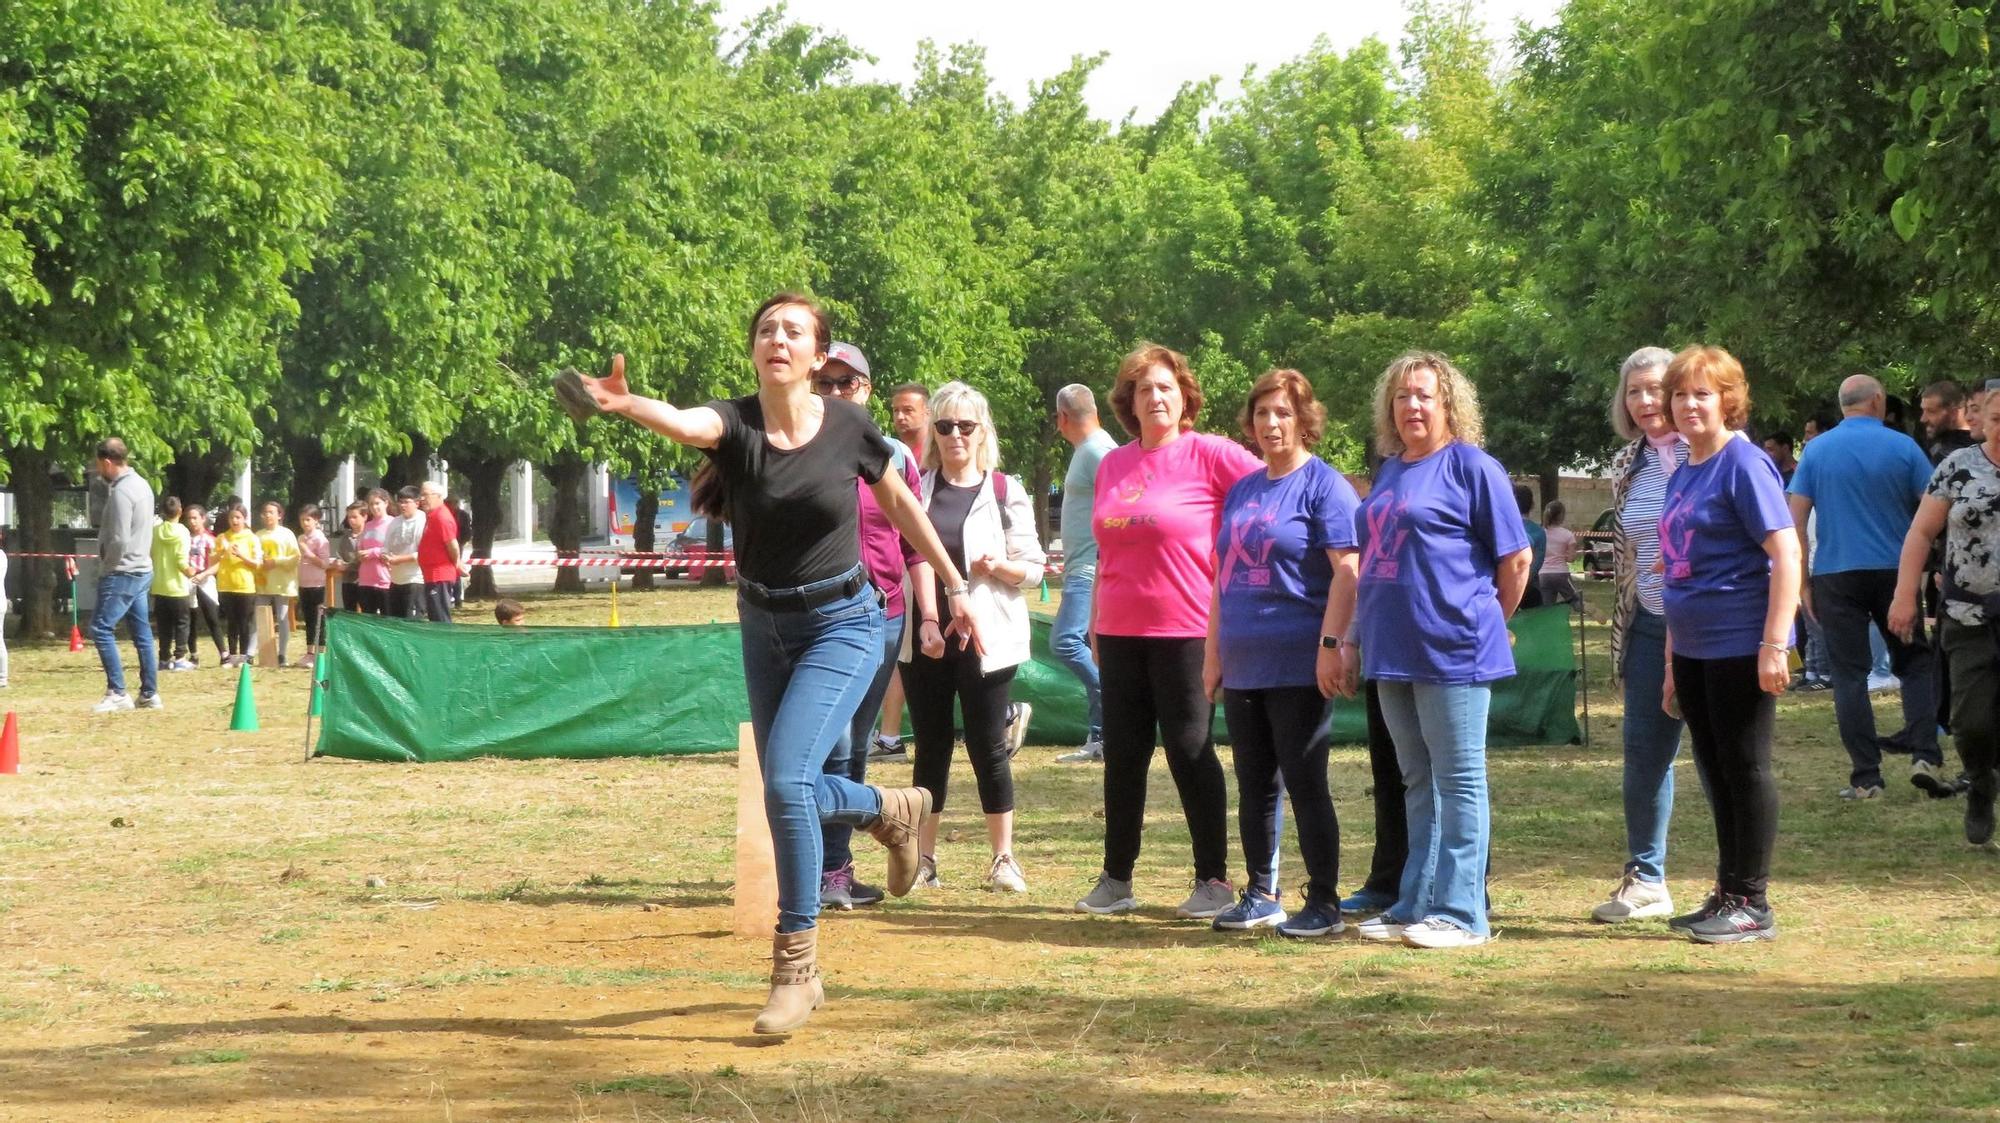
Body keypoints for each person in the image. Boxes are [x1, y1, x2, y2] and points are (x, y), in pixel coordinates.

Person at [575, 291, 981, 1036]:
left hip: (847, 620)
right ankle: (890, 810)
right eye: (766, 329)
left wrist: (953, 587)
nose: (778, 339)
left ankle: (796, 968)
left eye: (794, 330)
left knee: (788, 782)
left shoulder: (853, 425)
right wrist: (625, 404)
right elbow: (686, 421)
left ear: (818, 354)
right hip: (763, 622)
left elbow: (902, 508)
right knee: (784, 788)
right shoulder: (734, 423)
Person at [1348, 352, 1531, 950]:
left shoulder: (1473, 467)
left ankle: (1462, 913)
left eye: (1424, 395)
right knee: (1417, 782)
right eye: (1401, 397)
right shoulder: (1393, 470)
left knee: (1460, 781)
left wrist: (1485, 620)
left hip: (1453, 649)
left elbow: (1516, 559)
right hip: (1392, 649)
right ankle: (1414, 904)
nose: (1412, 406)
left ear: (1450, 404)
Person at [1076, 343, 1263, 920]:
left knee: (1189, 749)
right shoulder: (1114, 463)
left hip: (1189, 629)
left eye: (1165, 386)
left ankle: (1213, 879)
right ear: (1127, 403)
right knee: (1122, 756)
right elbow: (1106, 550)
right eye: (1143, 389)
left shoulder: (1212, 455)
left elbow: (1275, 495)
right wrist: (1093, 621)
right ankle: (1117, 878)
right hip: (1120, 629)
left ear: (1184, 395)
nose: (1155, 397)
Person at [1204, 369, 1360, 938]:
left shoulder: (1326, 487)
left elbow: (1349, 571)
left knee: (1305, 781)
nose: (1271, 424)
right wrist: (1212, 654)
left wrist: (1331, 645)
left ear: (1304, 420)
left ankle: (1323, 901)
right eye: (1263, 413)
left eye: (1283, 413)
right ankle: (1261, 893)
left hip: (1300, 660)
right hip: (1244, 662)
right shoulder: (1244, 489)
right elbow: (1223, 576)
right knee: (1254, 783)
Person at [1658, 345, 1801, 944]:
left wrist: (1775, 643)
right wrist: (1670, 662)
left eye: (1702, 393)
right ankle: (1728, 888)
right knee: (1715, 769)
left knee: (1745, 767)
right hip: (1692, 645)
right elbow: (1674, 564)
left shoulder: (1743, 464)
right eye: (1680, 393)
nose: (1689, 404)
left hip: (1740, 640)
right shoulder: (1686, 468)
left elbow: (1786, 553)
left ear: (1727, 401)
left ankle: (1754, 902)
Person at [901, 381, 1045, 893]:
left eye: (966, 425)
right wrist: (926, 620)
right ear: (932, 432)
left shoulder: (1006, 490)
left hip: (988, 637)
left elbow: (1034, 570)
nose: (955, 435)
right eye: (944, 426)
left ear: (983, 431)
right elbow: (904, 555)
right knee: (930, 747)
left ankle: (1004, 859)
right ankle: (924, 860)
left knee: (988, 747)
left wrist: (998, 567)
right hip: (927, 634)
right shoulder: (915, 487)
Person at [809, 342, 934, 911]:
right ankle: (828, 863)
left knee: (855, 745)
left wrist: (930, 613)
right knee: (827, 745)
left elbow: (913, 545)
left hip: (883, 617)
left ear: (864, 389)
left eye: (846, 384)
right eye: (825, 383)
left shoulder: (896, 459)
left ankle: (835, 869)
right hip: (813, 618)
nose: (835, 393)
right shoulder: (798, 448)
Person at [1786, 374, 1945, 799]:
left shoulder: (1816, 451)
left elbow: (1794, 520)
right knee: (1913, 663)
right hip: (1896, 572)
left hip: (1835, 575)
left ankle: (1866, 777)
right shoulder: (1903, 446)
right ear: (1877, 401)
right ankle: (1925, 754)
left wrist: (1800, 582)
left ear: (1843, 407)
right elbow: (1936, 504)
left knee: (1849, 675)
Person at [1591, 346, 1691, 923]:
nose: (1647, 401)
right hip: (1649, 624)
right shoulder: (1629, 462)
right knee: (1644, 753)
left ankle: (1738, 887)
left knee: (1722, 757)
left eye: (1657, 388)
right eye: (1635, 391)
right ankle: (1647, 877)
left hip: (1710, 627)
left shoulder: (1712, 452)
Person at [1891, 388, 2000, 845]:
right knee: (1970, 721)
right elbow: (1921, 532)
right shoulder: (1958, 467)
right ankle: (1980, 782)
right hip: (1966, 614)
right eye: (1996, 417)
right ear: (1983, 421)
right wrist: (1904, 595)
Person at [868, 379, 938, 761]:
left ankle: (1000, 713)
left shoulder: (938, 452)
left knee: (923, 657)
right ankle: (889, 737)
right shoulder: (889, 452)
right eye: (895, 410)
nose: (899, 416)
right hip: (902, 571)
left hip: (933, 566)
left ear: (928, 411)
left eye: (908, 409)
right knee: (903, 658)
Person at [1051, 383, 1120, 764]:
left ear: (1062, 417)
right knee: (1083, 646)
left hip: (1091, 569)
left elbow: (1120, 506)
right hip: (1082, 566)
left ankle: (1113, 717)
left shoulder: (1099, 451)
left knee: (1065, 642)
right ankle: (1101, 735)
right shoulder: (1090, 450)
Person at [89, 438, 161, 712]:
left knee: (101, 628)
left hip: (123, 571)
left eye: (98, 465)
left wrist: (108, 565)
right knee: (141, 633)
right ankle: (150, 693)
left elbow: (118, 538)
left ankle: (117, 691)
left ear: (107, 462)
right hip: (142, 568)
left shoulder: (121, 492)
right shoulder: (142, 485)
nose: (98, 471)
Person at [213, 501, 262, 667]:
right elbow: (212, 559)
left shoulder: (251, 538)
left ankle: (244, 656)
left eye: (238, 517)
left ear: (244, 518)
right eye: (232, 518)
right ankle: (232, 656)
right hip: (226, 585)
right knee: (231, 622)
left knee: (244, 623)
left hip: (245, 586)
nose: (234, 521)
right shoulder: (222, 537)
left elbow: (257, 563)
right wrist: (221, 551)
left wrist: (241, 555)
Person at [150, 496, 195, 671]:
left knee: (164, 625)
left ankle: (163, 658)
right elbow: (181, 561)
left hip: (159, 585)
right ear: (180, 511)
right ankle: (180, 657)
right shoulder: (182, 531)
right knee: (182, 623)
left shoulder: (155, 531)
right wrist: (191, 571)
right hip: (177, 587)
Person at [254, 500, 300, 666]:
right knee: (259, 616)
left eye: (271, 512)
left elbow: (295, 558)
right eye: (265, 512)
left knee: (282, 618)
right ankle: (253, 653)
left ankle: (282, 654)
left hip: (282, 582)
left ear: (279, 515)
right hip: (263, 582)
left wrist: (276, 562)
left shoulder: (287, 534)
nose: (267, 515)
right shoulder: (258, 535)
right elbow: (254, 556)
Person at [183, 505, 227, 665]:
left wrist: (204, 574)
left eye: (195, 518)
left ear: (203, 518)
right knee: (190, 618)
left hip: (205, 579)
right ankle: (193, 654)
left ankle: (224, 653)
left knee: (212, 617)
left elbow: (218, 564)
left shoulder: (210, 539)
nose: (192, 521)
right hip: (189, 579)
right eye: (189, 518)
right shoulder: (185, 538)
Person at [416, 481, 460, 623]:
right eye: (421, 495)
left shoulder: (442, 517)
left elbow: (452, 545)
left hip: (439, 576)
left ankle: (447, 644)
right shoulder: (432, 516)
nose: (422, 499)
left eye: (425, 495)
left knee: (440, 617)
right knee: (434, 616)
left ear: (438, 496)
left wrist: (457, 563)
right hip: (431, 576)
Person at [382, 486, 426, 619]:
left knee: (411, 621)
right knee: (395, 621)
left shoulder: (423, 521)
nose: (402, 505)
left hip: (415, 579)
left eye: (406, 502)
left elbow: (423, 553)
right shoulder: (395, 522)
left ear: (417, 503)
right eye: (400, 502)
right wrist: (385, 557)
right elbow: (385, 547)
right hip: (395, 580)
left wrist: (400, 559)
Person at [296, 505, 331, 666]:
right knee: (308, 619)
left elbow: (324, 563)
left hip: (317, 584)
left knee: (319, 620)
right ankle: (310, 652)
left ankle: (321, 652)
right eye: (302, 520)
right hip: (304, 583)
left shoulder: (320, 539)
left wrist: (309, 554)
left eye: (308, 520)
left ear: (316, 520)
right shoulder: (302, 538)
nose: (305, 523)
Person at [1539, 500, 1587, 615]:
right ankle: (1587, 608)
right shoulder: (1567, 535)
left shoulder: (1541, 533)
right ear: (1561, 516)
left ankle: (1548, 628)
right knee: (1574, 600)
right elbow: (1571, 559)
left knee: (1546, 608)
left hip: (1543, 574)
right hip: (1561, 573)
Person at [356, 489, 392, 614]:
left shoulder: (392, 523)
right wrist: (360, 553)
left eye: (377, 503)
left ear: (386, 503)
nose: (374, 507)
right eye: (371, 504)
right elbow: (361, 546)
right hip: (366, 579)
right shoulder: (367, 525)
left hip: (384, 580)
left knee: (386, 620)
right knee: (368, 619)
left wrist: (373, 552)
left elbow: (392, 549)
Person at [1515, 484, 1547, 610]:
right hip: (1531, 589)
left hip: (1504, 589)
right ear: (1532, 505)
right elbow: (1537, 563)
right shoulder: (1539, 532)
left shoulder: (1503, 530)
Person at [330, 501, 364, 613]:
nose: (351, 520)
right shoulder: (346, 537)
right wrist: (338, 562)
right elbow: (339, 554)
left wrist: (348, 567)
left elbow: (363, 559)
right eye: (349, 517)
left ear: (364, 516)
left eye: (355, 517)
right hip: (347, 581)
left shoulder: (367, 535)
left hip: (363, 580)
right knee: (349, 611)